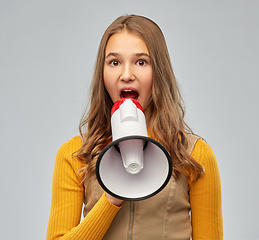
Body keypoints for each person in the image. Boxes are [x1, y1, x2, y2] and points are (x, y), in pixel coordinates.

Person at [46, 14, 223, 240]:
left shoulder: (195, 155)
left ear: (158, 72)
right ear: (102, 73)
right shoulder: (74, 156)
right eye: (114, 62)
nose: (126, 75)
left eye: (141, 62)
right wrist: (111, 198)